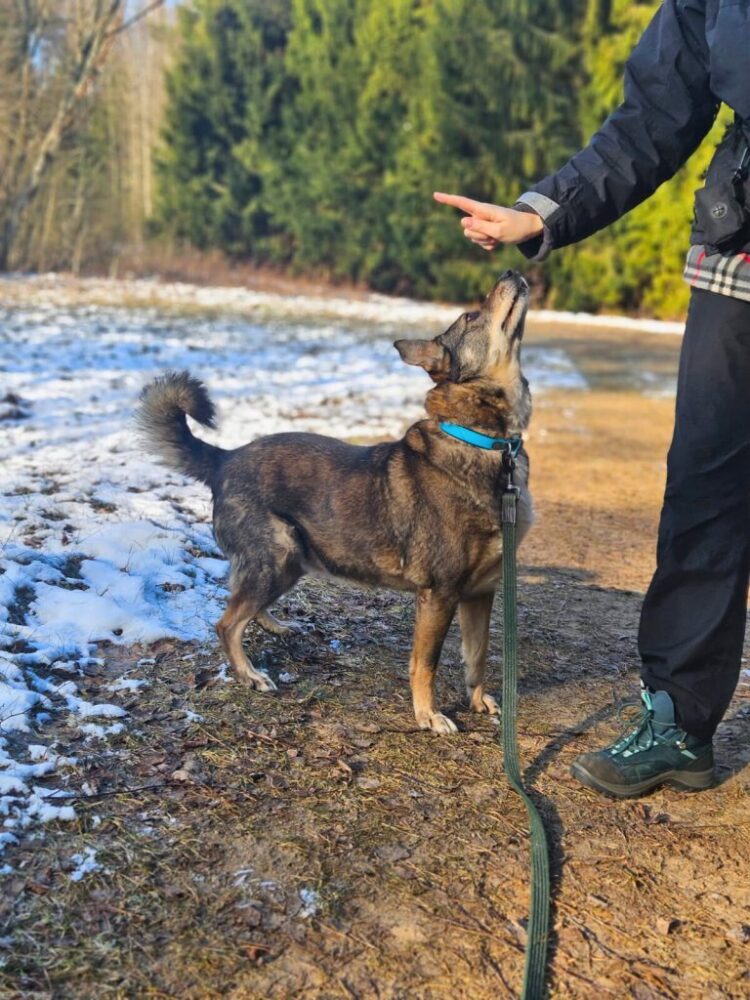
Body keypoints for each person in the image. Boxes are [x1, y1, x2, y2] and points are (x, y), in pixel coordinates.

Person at [435, 0, 750, 798]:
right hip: (740, 266)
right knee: (706, 494)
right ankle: (679, 720)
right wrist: (540, 211)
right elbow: (654, 114)